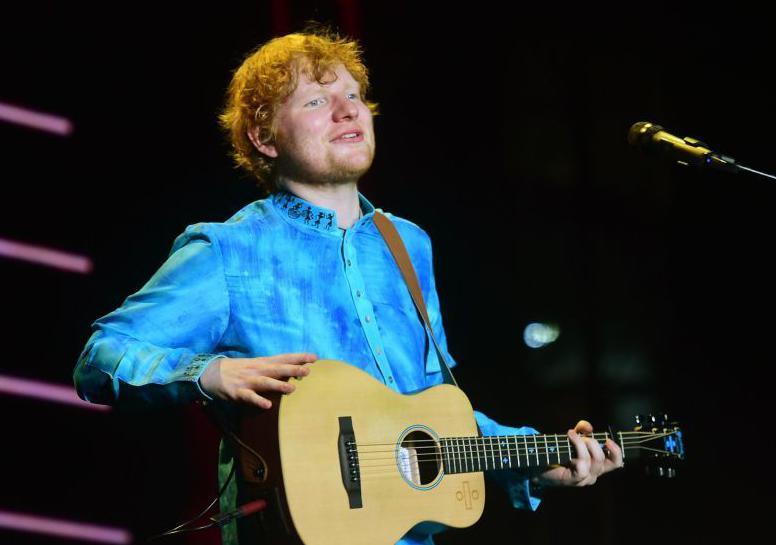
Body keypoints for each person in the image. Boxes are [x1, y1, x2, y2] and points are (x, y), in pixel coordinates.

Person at [73, 27, 622, 545]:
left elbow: (432, 414)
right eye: (316, 100)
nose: (348, 109)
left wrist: (533, 461)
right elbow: (100, 358)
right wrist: (208, 373)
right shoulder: (227, 252)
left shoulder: (408, 246)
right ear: (263, 136)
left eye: (355, 95)